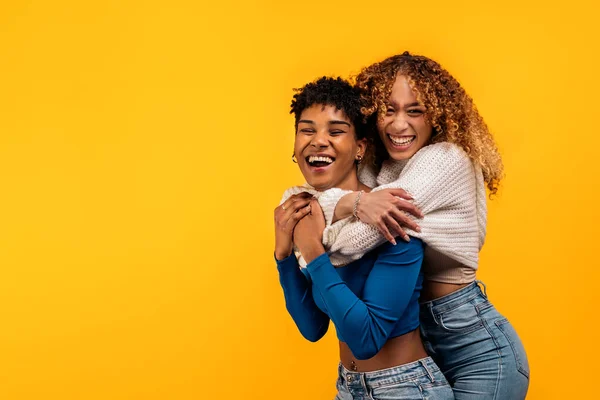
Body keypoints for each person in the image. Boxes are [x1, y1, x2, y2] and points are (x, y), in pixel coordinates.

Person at [313, 52, 529, 400]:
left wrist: (311, 237)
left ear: (438, 116)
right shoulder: (377, 164)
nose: (400, 125)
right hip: (421, 349)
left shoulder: (444, 160)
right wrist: (354, 203)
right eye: (389, 110)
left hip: (477, 352)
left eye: (415, 111)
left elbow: (353, 242)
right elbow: (318, 198)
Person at [274, 76, 454, 399]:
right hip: (349, 388)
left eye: (336, 130)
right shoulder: (310, 215)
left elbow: (366, 339)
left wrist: (312, 252)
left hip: (408, 388)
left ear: (359, 148)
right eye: (307, 129)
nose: (319, 141)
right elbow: (313, 328)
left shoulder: (393, 214)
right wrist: (284, 256)